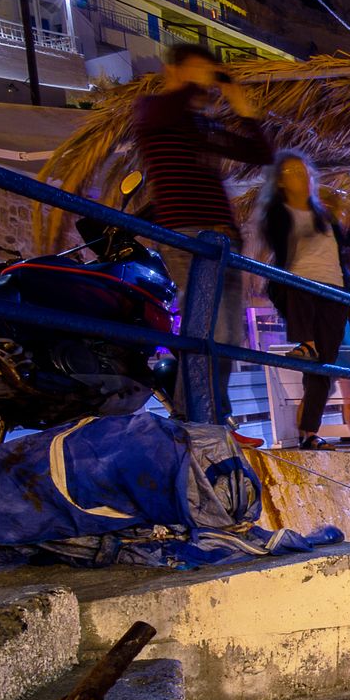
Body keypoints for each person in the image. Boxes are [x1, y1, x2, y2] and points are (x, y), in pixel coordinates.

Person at [131, 43, 274, 422]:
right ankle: (192, 415)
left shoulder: (203, 126)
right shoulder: (154, 109)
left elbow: (262, 152)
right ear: (174, 71)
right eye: (198, 70)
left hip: (224, 236)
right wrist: (191, 82)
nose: (205, 81)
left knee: (228, 336)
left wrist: (239, 102)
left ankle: (211, 414)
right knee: (203, 327)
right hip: (188, 231)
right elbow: (170, 108)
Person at [257, 152, 350, 450]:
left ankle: (309, 433)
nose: (299, 177)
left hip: (334, 290)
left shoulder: (325, 216)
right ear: (281, 182)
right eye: (291, 172)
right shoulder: (278, 214)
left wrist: (346, 219)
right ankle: (305, 342)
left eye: (303, 172)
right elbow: (277, 246)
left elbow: (344, 251)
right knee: (299, 290)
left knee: (322, 367)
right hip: (299, 283)